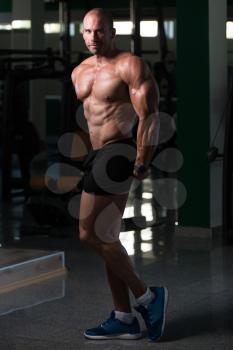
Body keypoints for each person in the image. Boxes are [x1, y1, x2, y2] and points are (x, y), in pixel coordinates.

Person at [71, 8, 168, 342]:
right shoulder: (79, 72)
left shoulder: (130, 65)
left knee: (88, 234)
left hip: (119, 151)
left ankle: (148, 297)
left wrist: (142, 159)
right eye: (87, 31)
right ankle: (124, 316)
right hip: (97, 155)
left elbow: (150, 115)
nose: (93, 37)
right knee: (106, 237)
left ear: (113, 32)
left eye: (99, 31)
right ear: (81, 33)